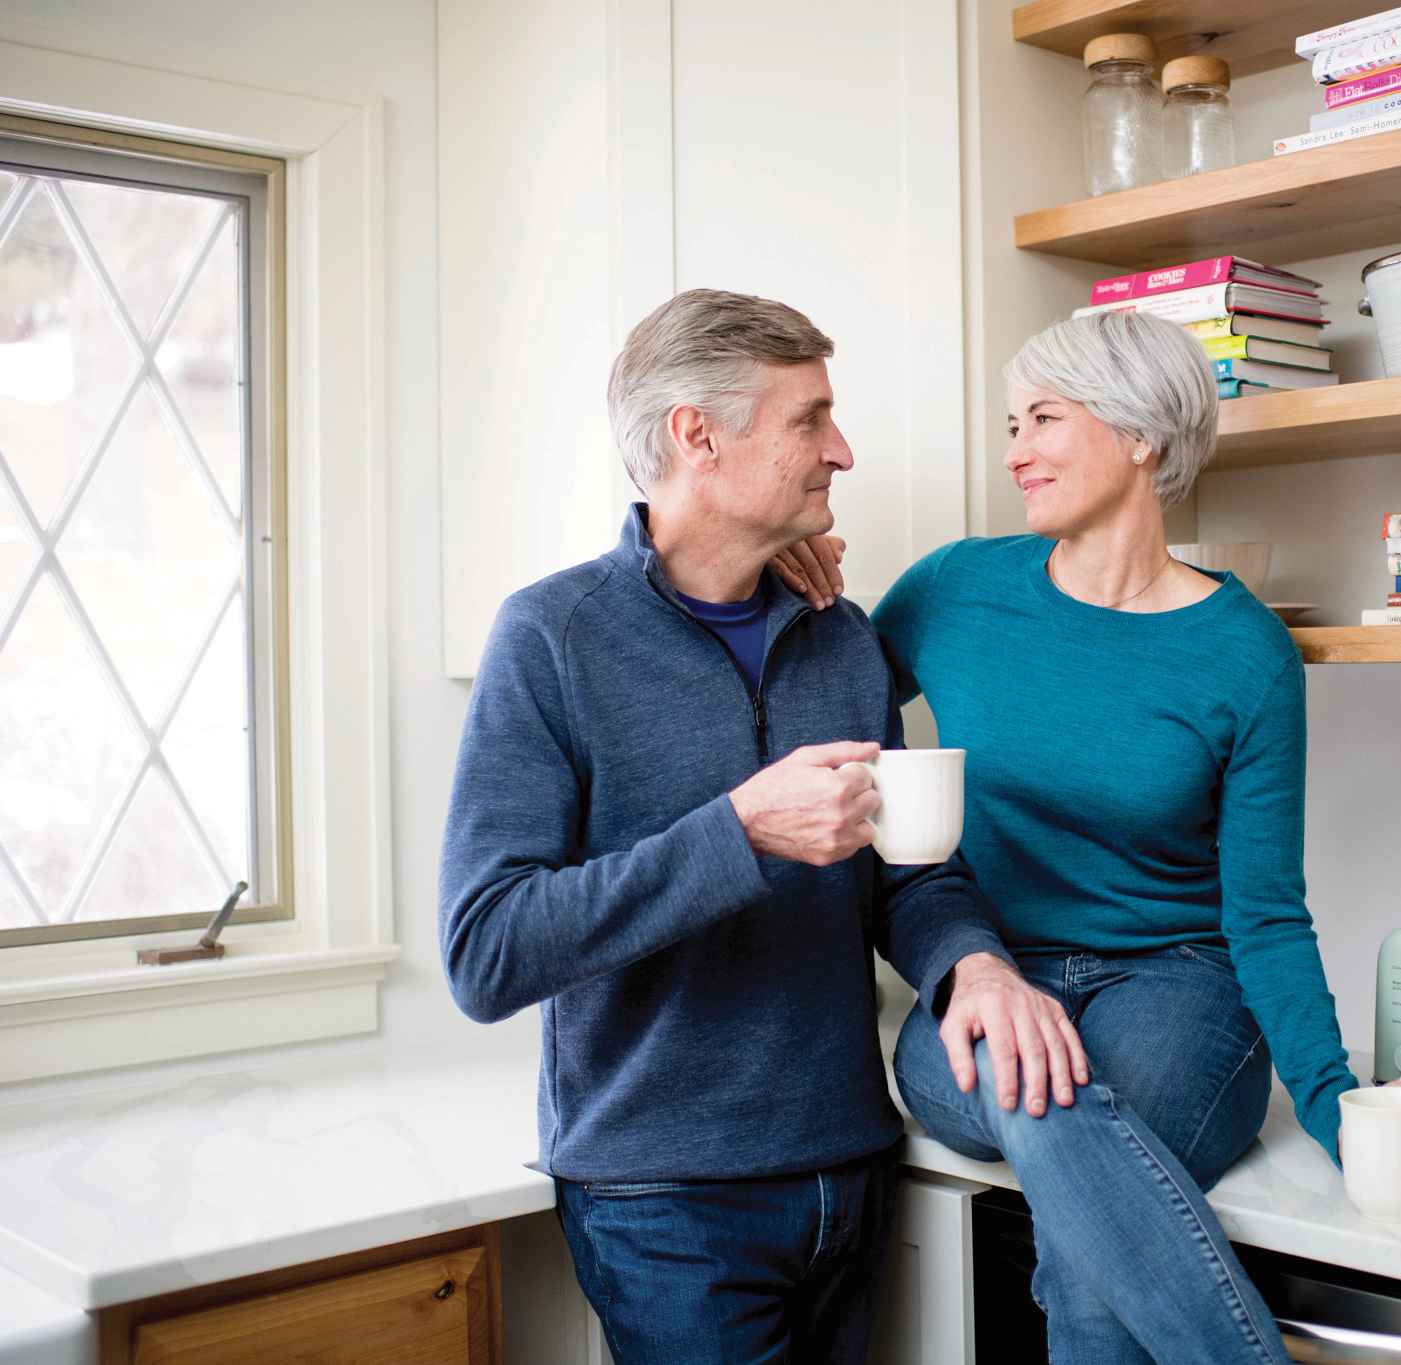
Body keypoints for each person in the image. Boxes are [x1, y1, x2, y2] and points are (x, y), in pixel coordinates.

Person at [438, 289, 1084, 1364]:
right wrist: (736, 834)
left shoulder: (837, 636)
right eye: (807, 418)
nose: (840, 449)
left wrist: (974, 965)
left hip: (850, 1167)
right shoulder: (550, 639)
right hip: (664, 1200)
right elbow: (487, 951)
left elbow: (908, 876)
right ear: (697, 436)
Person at [774, 309, 1401, 1365]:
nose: (1013, 451)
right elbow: (819, 717)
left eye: (1042, 419)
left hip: (1180, 986)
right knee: (1054, 1106)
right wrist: (779, 569)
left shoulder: (1242, 655)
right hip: (979, 972)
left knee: (1064, 1152)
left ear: (1141, 435)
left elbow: (1261, 912)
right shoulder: (956, 590)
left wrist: (1335, 1103)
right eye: (1010, 423)